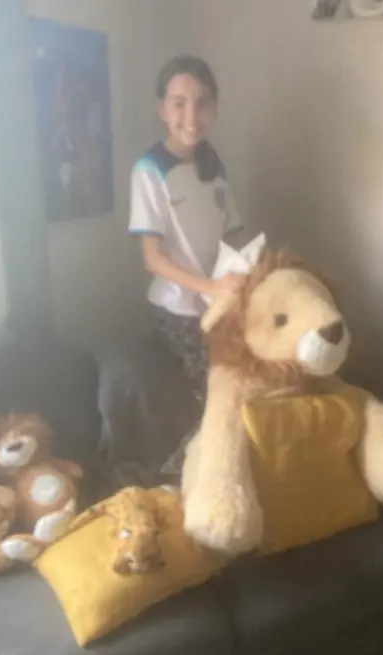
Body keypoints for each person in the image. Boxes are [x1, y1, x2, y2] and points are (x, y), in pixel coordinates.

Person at [129, 55, 246, 402]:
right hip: (178, 311)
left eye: (202, 103)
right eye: (179, 104)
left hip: (216, 303)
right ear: (162, 109)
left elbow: (230, 235)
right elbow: (153, 258)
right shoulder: (149, 171)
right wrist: (209, 286)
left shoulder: (214, 165)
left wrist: (246, 275)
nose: (191, 117)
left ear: (215, 107)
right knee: (214, 399)